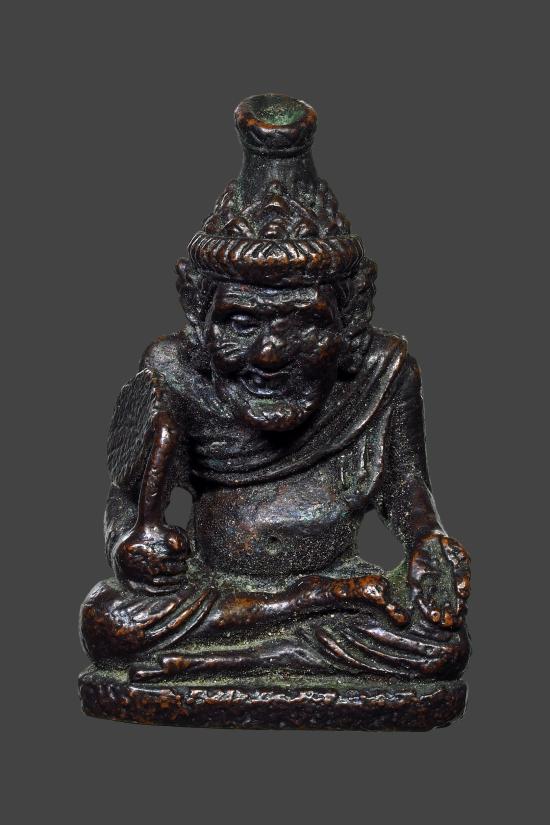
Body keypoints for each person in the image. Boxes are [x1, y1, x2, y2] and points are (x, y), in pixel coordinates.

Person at [80, 95, 470, 686]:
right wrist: (128, 547)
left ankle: (252, 649)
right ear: (198, 317)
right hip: (227, 594)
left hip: (338, 588)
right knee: (109, 620)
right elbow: (128, 498)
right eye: (240, 321)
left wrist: (427, 543)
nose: (268, 354)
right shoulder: (174, 373)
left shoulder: (383, 374)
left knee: (437, 645)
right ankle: (290, 629)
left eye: (301, 323)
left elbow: (406, 485)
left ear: (350, 319)